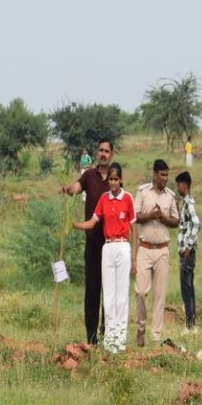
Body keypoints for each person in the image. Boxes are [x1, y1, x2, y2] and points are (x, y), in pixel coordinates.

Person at [72, 163, 136, 354]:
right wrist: (74, 224)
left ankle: (119, 341)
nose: (113, 182)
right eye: (111, 179)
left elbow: (133, 227)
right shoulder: (103, 199)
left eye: (116, 179)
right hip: (108, 247)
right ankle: (109, 341)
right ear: (108, 180)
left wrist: (133, 256)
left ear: (121, 180)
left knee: (121, 295)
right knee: (108, 295)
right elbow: (93, 222)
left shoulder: (128, 198)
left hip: (123, 246)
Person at [61, 140, 112, 345]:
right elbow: (77, 186)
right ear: (96, 153)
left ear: (112, 154)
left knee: (108, 293)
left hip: (111, 245)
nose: (103, 154)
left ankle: (107, 335)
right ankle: (91, 340)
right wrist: (68, 189)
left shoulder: (115, 177)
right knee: (92, 291)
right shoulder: (89, 175)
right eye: (100, 150)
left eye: (107, 151)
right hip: (92, 243)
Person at [135, 159, 179, 345]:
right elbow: (135, 216)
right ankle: (141, 328)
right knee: (141, 292)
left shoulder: (170, 195)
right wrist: (150, 216)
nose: (165, 178)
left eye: (167, 175)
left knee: (159, 295)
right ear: (154, 175)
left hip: (162, 250)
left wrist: (164, 218)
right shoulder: (143, 192)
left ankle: (156, 336)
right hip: (144, 249)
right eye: (162, 175)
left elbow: (176, 221)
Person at [176, 171, 199, 333]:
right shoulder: (185, 202)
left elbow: (196, 222)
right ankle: (191, 322)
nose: (178, 187)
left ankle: (190, 325)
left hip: (187, 253)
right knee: (188, 287)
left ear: (186, 185)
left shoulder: (188, 202)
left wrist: (188, 246)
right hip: (186, 252)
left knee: (186, 288)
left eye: (179, 184)